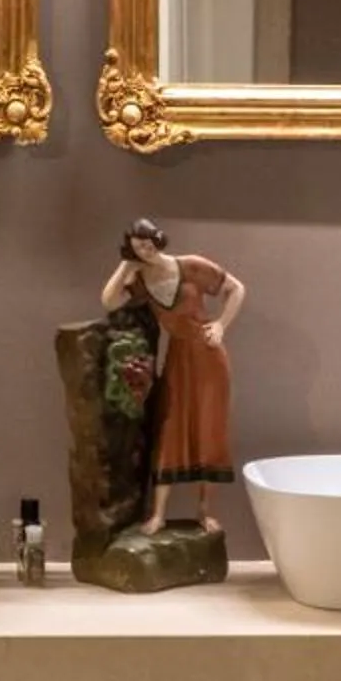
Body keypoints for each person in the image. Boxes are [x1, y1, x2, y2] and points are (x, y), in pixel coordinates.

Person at [99, 218, 246, 538]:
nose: (145, 249)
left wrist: (221, 324)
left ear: (158, 239)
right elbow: (109, 300)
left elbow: (236, 289)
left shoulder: (191, 266)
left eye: (148, 242)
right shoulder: (139, 279)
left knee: (209, 429)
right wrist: (125, 266)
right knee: (171, 428)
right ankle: (159, 515)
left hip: (208, 358)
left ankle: (205, 512)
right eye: (138, 246)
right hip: (178, 357)